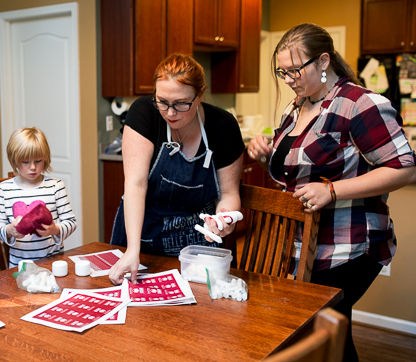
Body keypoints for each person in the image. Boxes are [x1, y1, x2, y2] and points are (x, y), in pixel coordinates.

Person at [247, 23, 416, 361]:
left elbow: (404, 168)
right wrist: (267, 157)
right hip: (304, 242)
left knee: (314, 327)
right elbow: (296, 177)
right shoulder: (295, 107)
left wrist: (333, 191)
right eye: (283, 72)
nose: (290, 79)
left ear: (323, 61)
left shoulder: (360, 104)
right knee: (330, 329)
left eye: (295, 70)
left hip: (349, 245)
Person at [108, 53, 245, 285]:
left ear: (200, 94)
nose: (170, 113)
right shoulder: (144, 113)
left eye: (181, 103)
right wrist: (133, 249)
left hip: (196, 245)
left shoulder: (223, 126)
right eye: (162, 101)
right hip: (140, 238)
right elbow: (135, 184)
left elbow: (229, 194)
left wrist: (223, 219)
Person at [0, 127, 77, 268]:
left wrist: (54, 229)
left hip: (53, 263)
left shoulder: (55, 186)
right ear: (14, 160)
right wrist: (9, 230)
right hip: (19, 266)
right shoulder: (4, 189)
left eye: (38, 161)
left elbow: (71, 222)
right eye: (25, 162)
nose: (33, 167)